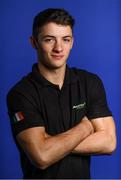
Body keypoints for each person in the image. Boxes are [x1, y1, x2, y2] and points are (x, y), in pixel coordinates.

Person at [7, 8, 116, 179]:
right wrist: (85, 127)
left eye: (66, 39)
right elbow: (41, 156)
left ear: (72, 42)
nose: (59, 48)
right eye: (49, 40)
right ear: (34, 42)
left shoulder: (89, 82)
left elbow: (109, 143)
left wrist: (52, 144)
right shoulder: (21, 94)